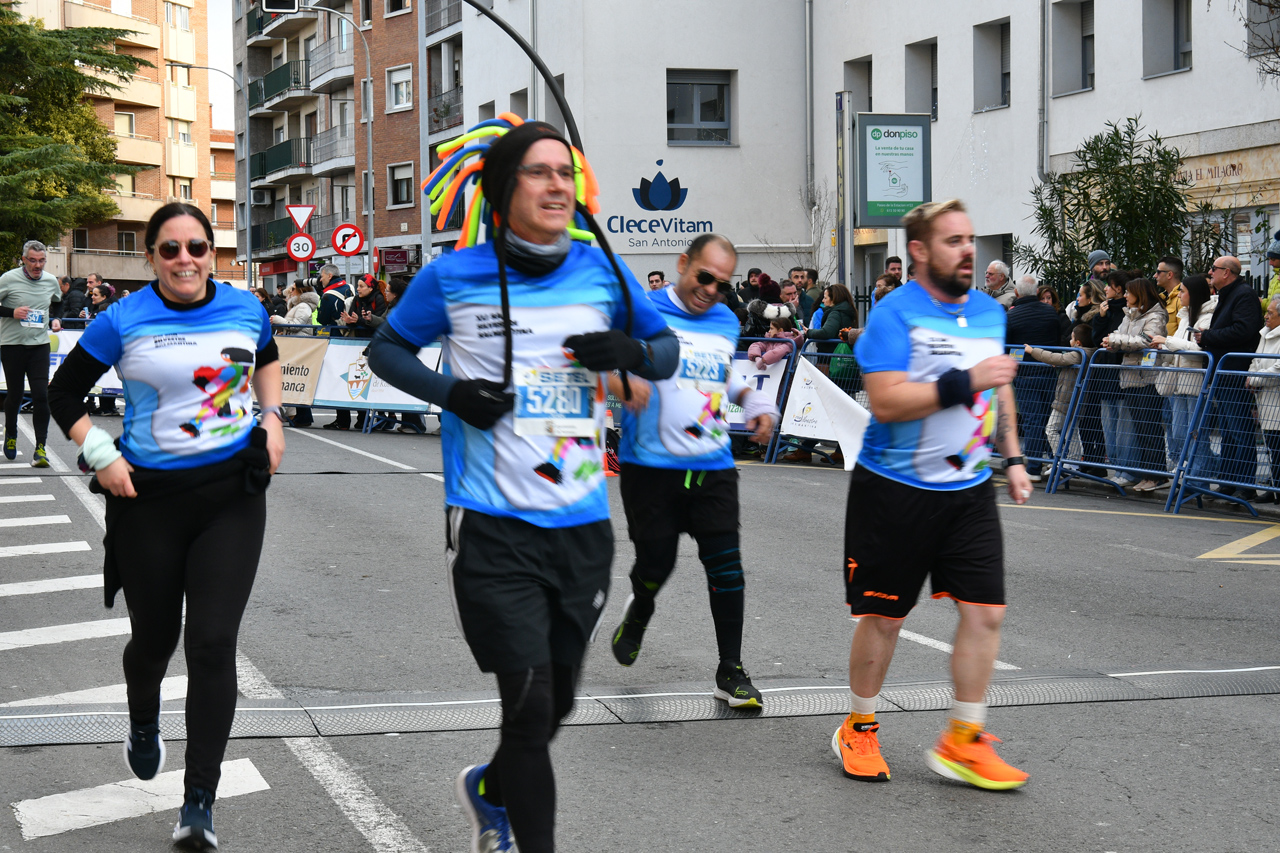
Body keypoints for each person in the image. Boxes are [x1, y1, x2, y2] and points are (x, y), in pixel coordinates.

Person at [368, 119, 678, 853]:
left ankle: (491, 789)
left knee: (556, 702)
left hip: (581, 525)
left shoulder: (602, 270)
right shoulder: (453, 276)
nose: (557, 185)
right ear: (504, 188)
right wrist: (452, 393)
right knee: (532, 705)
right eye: (539, 172)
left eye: (565, 172)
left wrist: (632, 349)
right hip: (491, 524)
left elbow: (665, 350)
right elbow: (386, 349)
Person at [47, 203, 285, 851]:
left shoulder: (245, 308)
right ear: (151, 255)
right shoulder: (121, 318)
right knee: (155, 642)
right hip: (146, 499)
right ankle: (143, 716)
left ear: (213, 252)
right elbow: (62, 394)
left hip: (231, 496)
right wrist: (101, 453)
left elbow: (267, 358)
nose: (186, 259)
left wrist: (271, 416)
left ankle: (198, 801)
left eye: (197, 247)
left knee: (212, 642)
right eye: (171, 248)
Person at [835, 198, 1030, 791]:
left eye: (970, 239)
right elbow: (887, 401)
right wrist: (966, 380)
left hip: (969, 490)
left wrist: (1014, 457)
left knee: (987, 612)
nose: (968, 250)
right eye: (953, 241)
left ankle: (963, 741)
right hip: (896, 489)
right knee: (884, 618)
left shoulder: (991, 312)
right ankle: (858, 727)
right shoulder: (895, 315)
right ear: (919, 251)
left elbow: (999, 387)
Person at [606, 233, 778, 708]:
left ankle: (731, 669)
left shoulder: (725, 320)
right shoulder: (643, 310)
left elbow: (724, 373)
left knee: (726, 566)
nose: (711, 290)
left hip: (712, 465)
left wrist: (755, 401)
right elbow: (596, 355)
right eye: (704, 277)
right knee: (655, 565)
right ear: (683, 263)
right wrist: (620, 385)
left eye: (723, 284)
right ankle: (639, 609)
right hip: (650, 467)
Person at [1196, 256, 1264, 498]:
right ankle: (1227, 482)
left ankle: (1245, 485)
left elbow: (1244, 330)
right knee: (1227, 430)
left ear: (1227, 272)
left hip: (1234, 371)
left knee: (1239, 430)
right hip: (1224, 371)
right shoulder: (1229, 294)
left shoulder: (1243, 295)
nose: (1210, 272)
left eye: (1214, 269)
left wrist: (1208, 337)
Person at [1101, 277, 1169, 492]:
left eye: (1128, 292)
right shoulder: (1129, 314)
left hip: (1147, 378)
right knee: (1140, 429)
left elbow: (1145, 340)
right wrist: (1112, 341)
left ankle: (1157, 475)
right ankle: (1146, 474)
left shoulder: (1156, 315)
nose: (1125, 296)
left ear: (1139, 294)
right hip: (1130, 377)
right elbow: (1121, 335)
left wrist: (1115, 341)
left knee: (1150, 428)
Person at [0, 240, 62, 466]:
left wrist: (57, 318)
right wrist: (12, 312)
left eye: (42, 261)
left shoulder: (50, 280)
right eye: (33, 261)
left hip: (39, 346)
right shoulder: (8, 279)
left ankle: (40, 448)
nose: (38, 265)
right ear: (24, 259)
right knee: (15, 395)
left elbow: (58, 302)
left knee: (41, 395)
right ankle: (11, 434)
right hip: (12, 345)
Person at [1152, 275, 1214, 473]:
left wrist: (1167, 341)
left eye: (1183, 291)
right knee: (1179, 432)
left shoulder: (1207, 316)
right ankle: (1194, 468)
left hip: (1195, 383)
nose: (1179, 295)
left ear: (1193, 294)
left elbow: (1198, 349)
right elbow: (1179, 347)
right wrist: (1162, 346)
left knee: (1196, 432)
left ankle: (1198, 474)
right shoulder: (1185, 315)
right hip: (1178, 382)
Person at [1005, 276, 1061, 480]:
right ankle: (1055, 462)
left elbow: (1006, 345)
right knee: (1049, 419)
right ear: (1037, 292)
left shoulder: (1011, 316)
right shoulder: (1050, 312)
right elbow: (1056, 338)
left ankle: (1034, 467)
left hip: (1025, 373)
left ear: (1017, 293)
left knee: (1032, 420)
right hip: (1048, 370)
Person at [1024, 324, 1093, 458]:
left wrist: (1033, 351)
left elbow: (1058, 358)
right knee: (1071, 431)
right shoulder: (1087, 353)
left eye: (1072, 338)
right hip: (1073, 399)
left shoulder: (1079, 354)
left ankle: (1060, 460)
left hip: (1065, 399)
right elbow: (1062, 361)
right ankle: (1073, 461)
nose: (1070, 340)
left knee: (1051, 429)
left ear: (1078, 342)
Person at [1247, 295, 1280, 502]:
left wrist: (1255, 379)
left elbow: (1277, 369)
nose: (1266, 316)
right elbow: (1255, 360)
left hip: (1275, 399)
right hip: (1265, 399)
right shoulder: (1264, 333)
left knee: (1277, 447)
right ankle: (1275, 488)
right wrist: (1251, 376)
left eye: (1270, 313)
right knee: (1272, 447)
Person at [1155, 256, 1184, 336]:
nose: (1155, 275)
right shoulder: (1161, 297)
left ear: (1169, 275)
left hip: (1172, 343)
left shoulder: (1182, 297)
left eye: (1158, 272)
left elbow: (1183, 331)